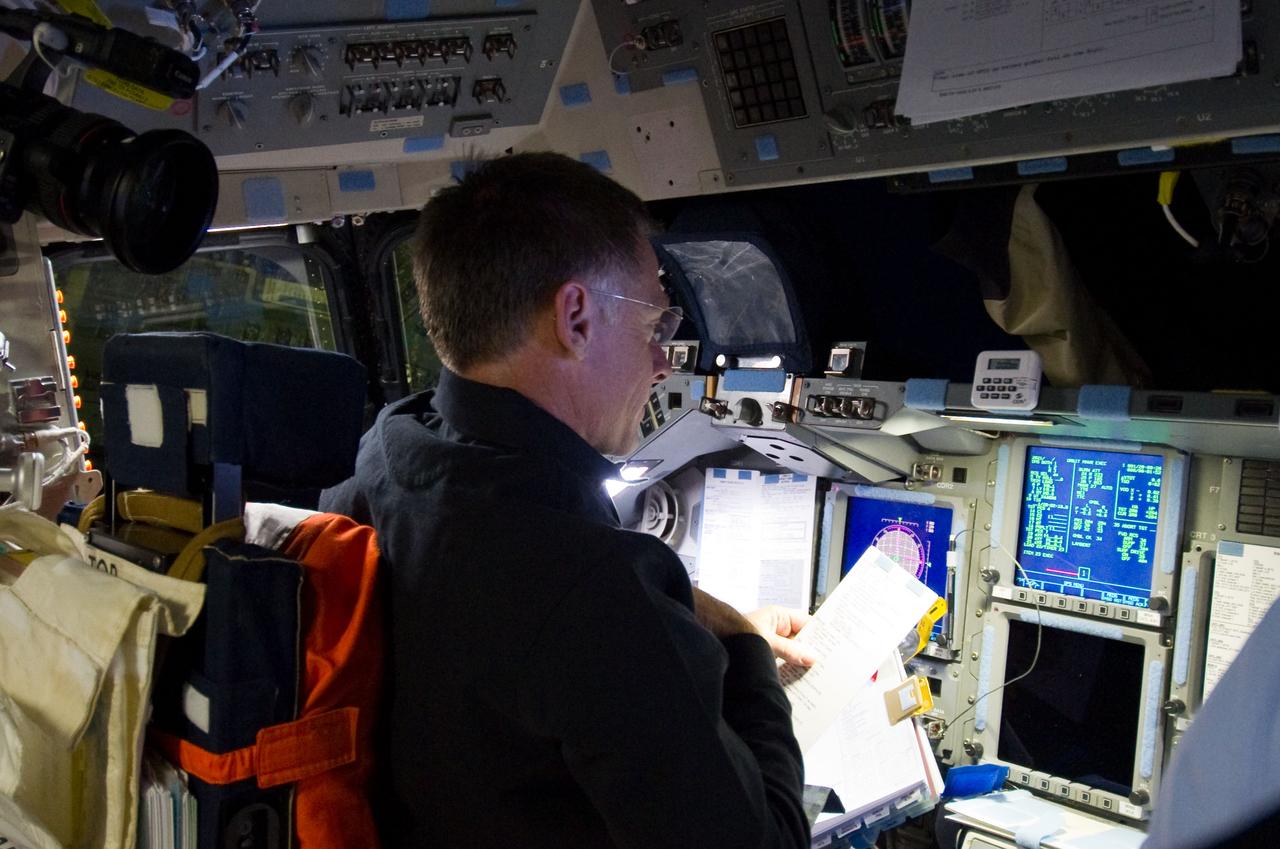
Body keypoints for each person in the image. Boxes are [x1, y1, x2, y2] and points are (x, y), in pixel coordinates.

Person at [320, 151, 812, 848]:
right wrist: (747, 652)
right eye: (655, 325)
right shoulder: (591, 589)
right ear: (576, 317)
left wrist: (680, 612)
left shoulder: (389, 456)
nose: (662, 360)